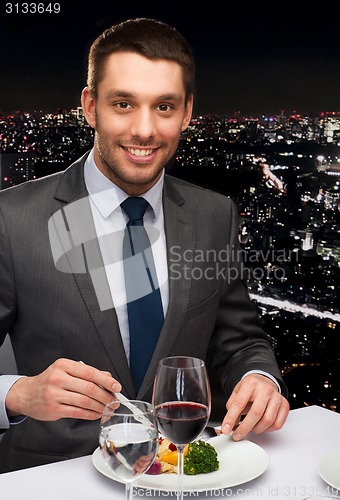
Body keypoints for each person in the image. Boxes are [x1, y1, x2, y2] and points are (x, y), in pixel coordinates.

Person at [0, 17, 289, 473]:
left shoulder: (214, 215)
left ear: (187, 112)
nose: (144, 130)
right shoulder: (11, 219)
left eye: (164, 107)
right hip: (53, 478)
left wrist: (259, 377)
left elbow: (240, 340)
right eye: (123, 103)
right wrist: (18, 394)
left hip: (184, 473)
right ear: (90, 106)